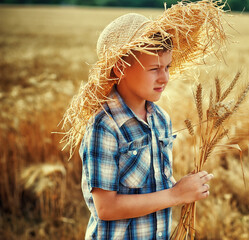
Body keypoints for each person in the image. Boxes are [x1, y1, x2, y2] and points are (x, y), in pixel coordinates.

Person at [61, 1, 226, 239]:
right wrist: (176, 195)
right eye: (154, 69)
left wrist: (184, 186)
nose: (165, 78)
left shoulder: (161, 119)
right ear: (119, 69)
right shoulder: (104, 126)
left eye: (168, 67)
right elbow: (105, 208)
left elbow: (157, 187)